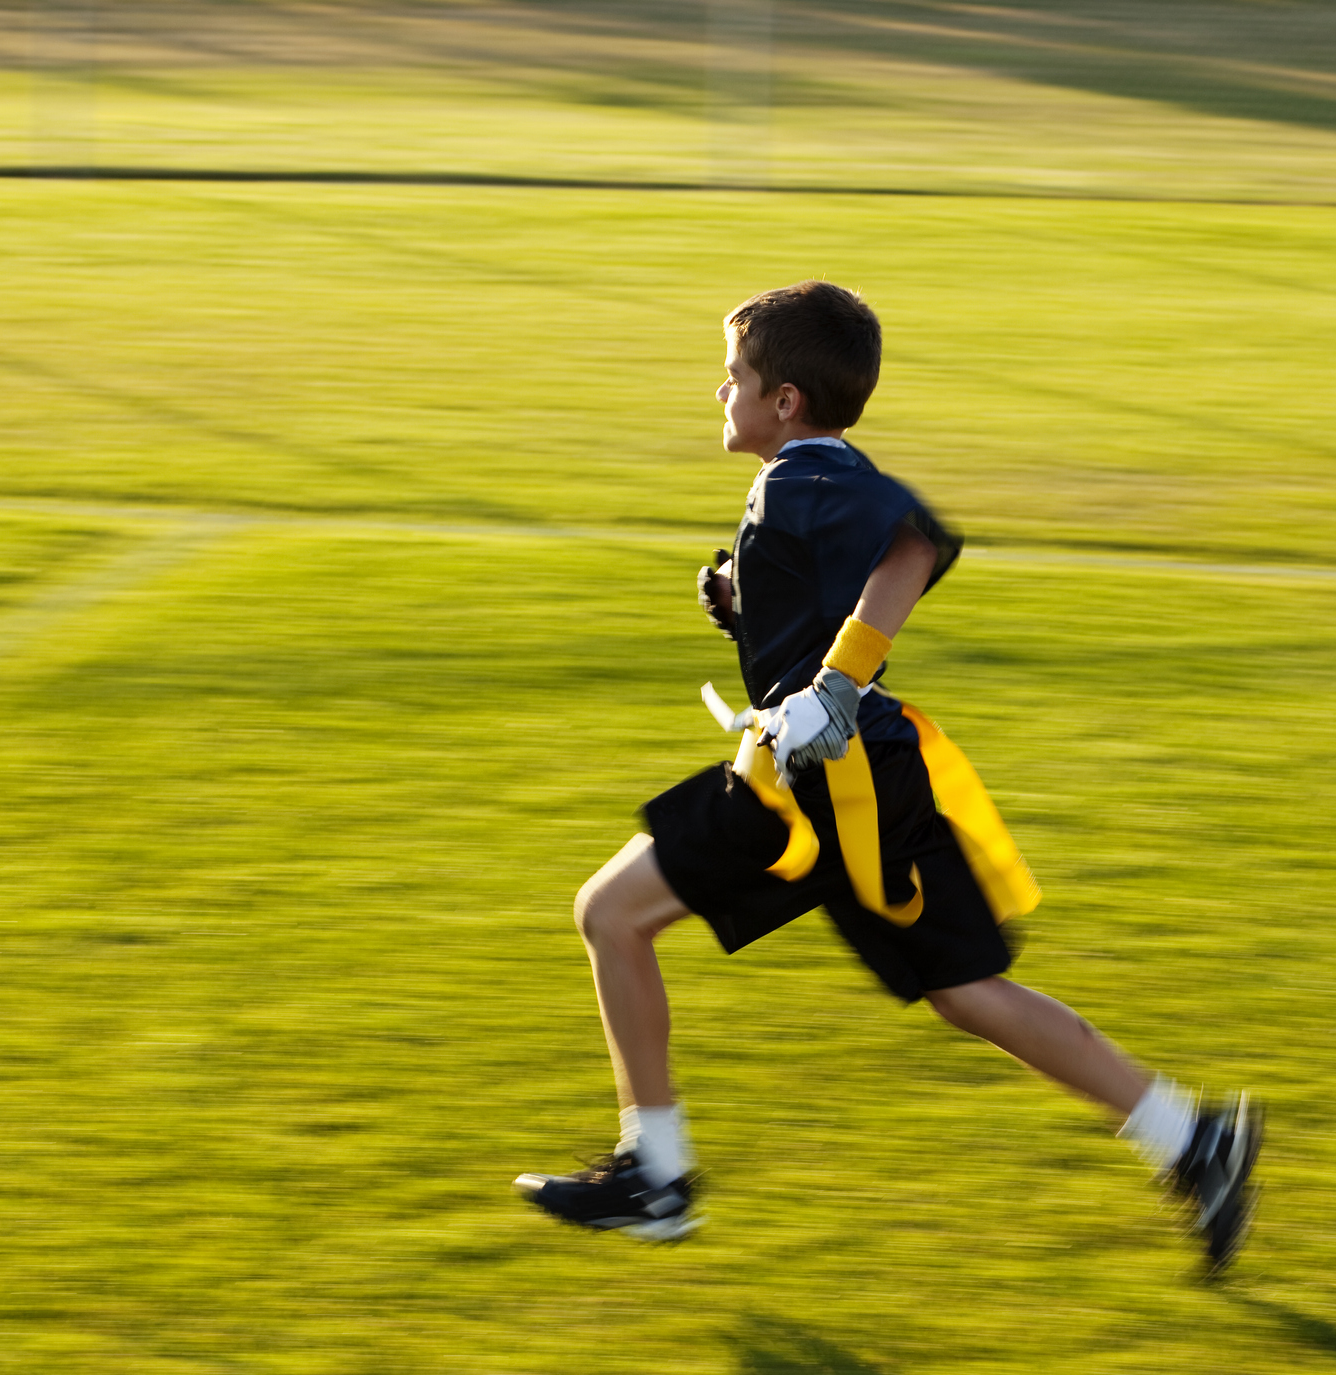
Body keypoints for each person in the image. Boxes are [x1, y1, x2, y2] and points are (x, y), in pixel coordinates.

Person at [516, 280, 1260, 1275]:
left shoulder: (807, 476)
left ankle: (657, 1175)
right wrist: (752, 614)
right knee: (965, 989)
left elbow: (919, 541)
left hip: (820, 787)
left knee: (612, 915)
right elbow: (852, 582)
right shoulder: (804, 478)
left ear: (784, 399)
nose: (718, 391)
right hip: (858, 777)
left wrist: (829, 681)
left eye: (733, 375)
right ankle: (1190, 1137)